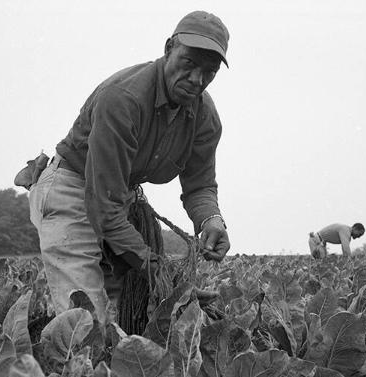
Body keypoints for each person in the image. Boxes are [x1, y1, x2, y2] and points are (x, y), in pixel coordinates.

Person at [26, 11, 231, 325]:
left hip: (118, 194)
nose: (197, 79)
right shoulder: (124, 99)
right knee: (83, 319)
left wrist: (211, 219)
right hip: (72, 187)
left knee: (131, 310)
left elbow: (200, 184)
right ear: (168, 49)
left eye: (209, 71)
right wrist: (163, 274)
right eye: (188, 63)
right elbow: (103, 205)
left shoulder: (205, 116)